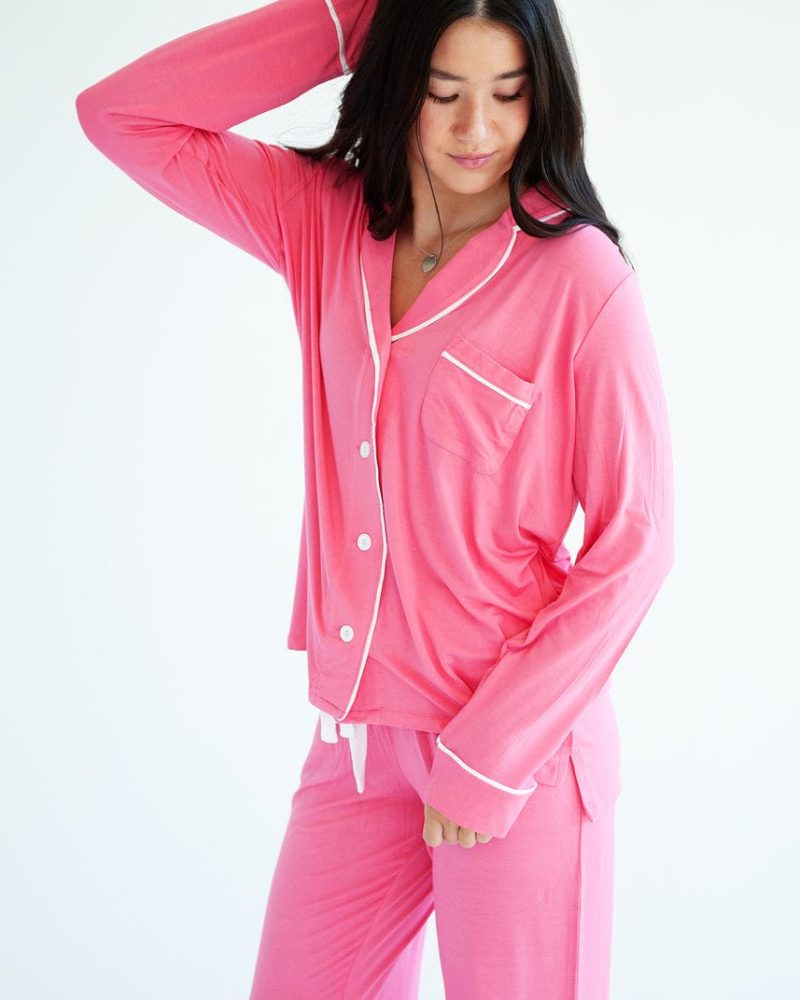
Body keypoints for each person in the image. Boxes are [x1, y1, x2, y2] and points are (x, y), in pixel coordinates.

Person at [75, 0, 675, 996]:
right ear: (397, 80)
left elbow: (636, 542)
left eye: (507, 95)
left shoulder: (581, 279)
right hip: (358, 752)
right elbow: (121, 116)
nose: (476, 129)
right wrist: (349, 20)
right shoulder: (320, 219)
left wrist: (491, 753)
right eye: (442, 91)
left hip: (516, 750)